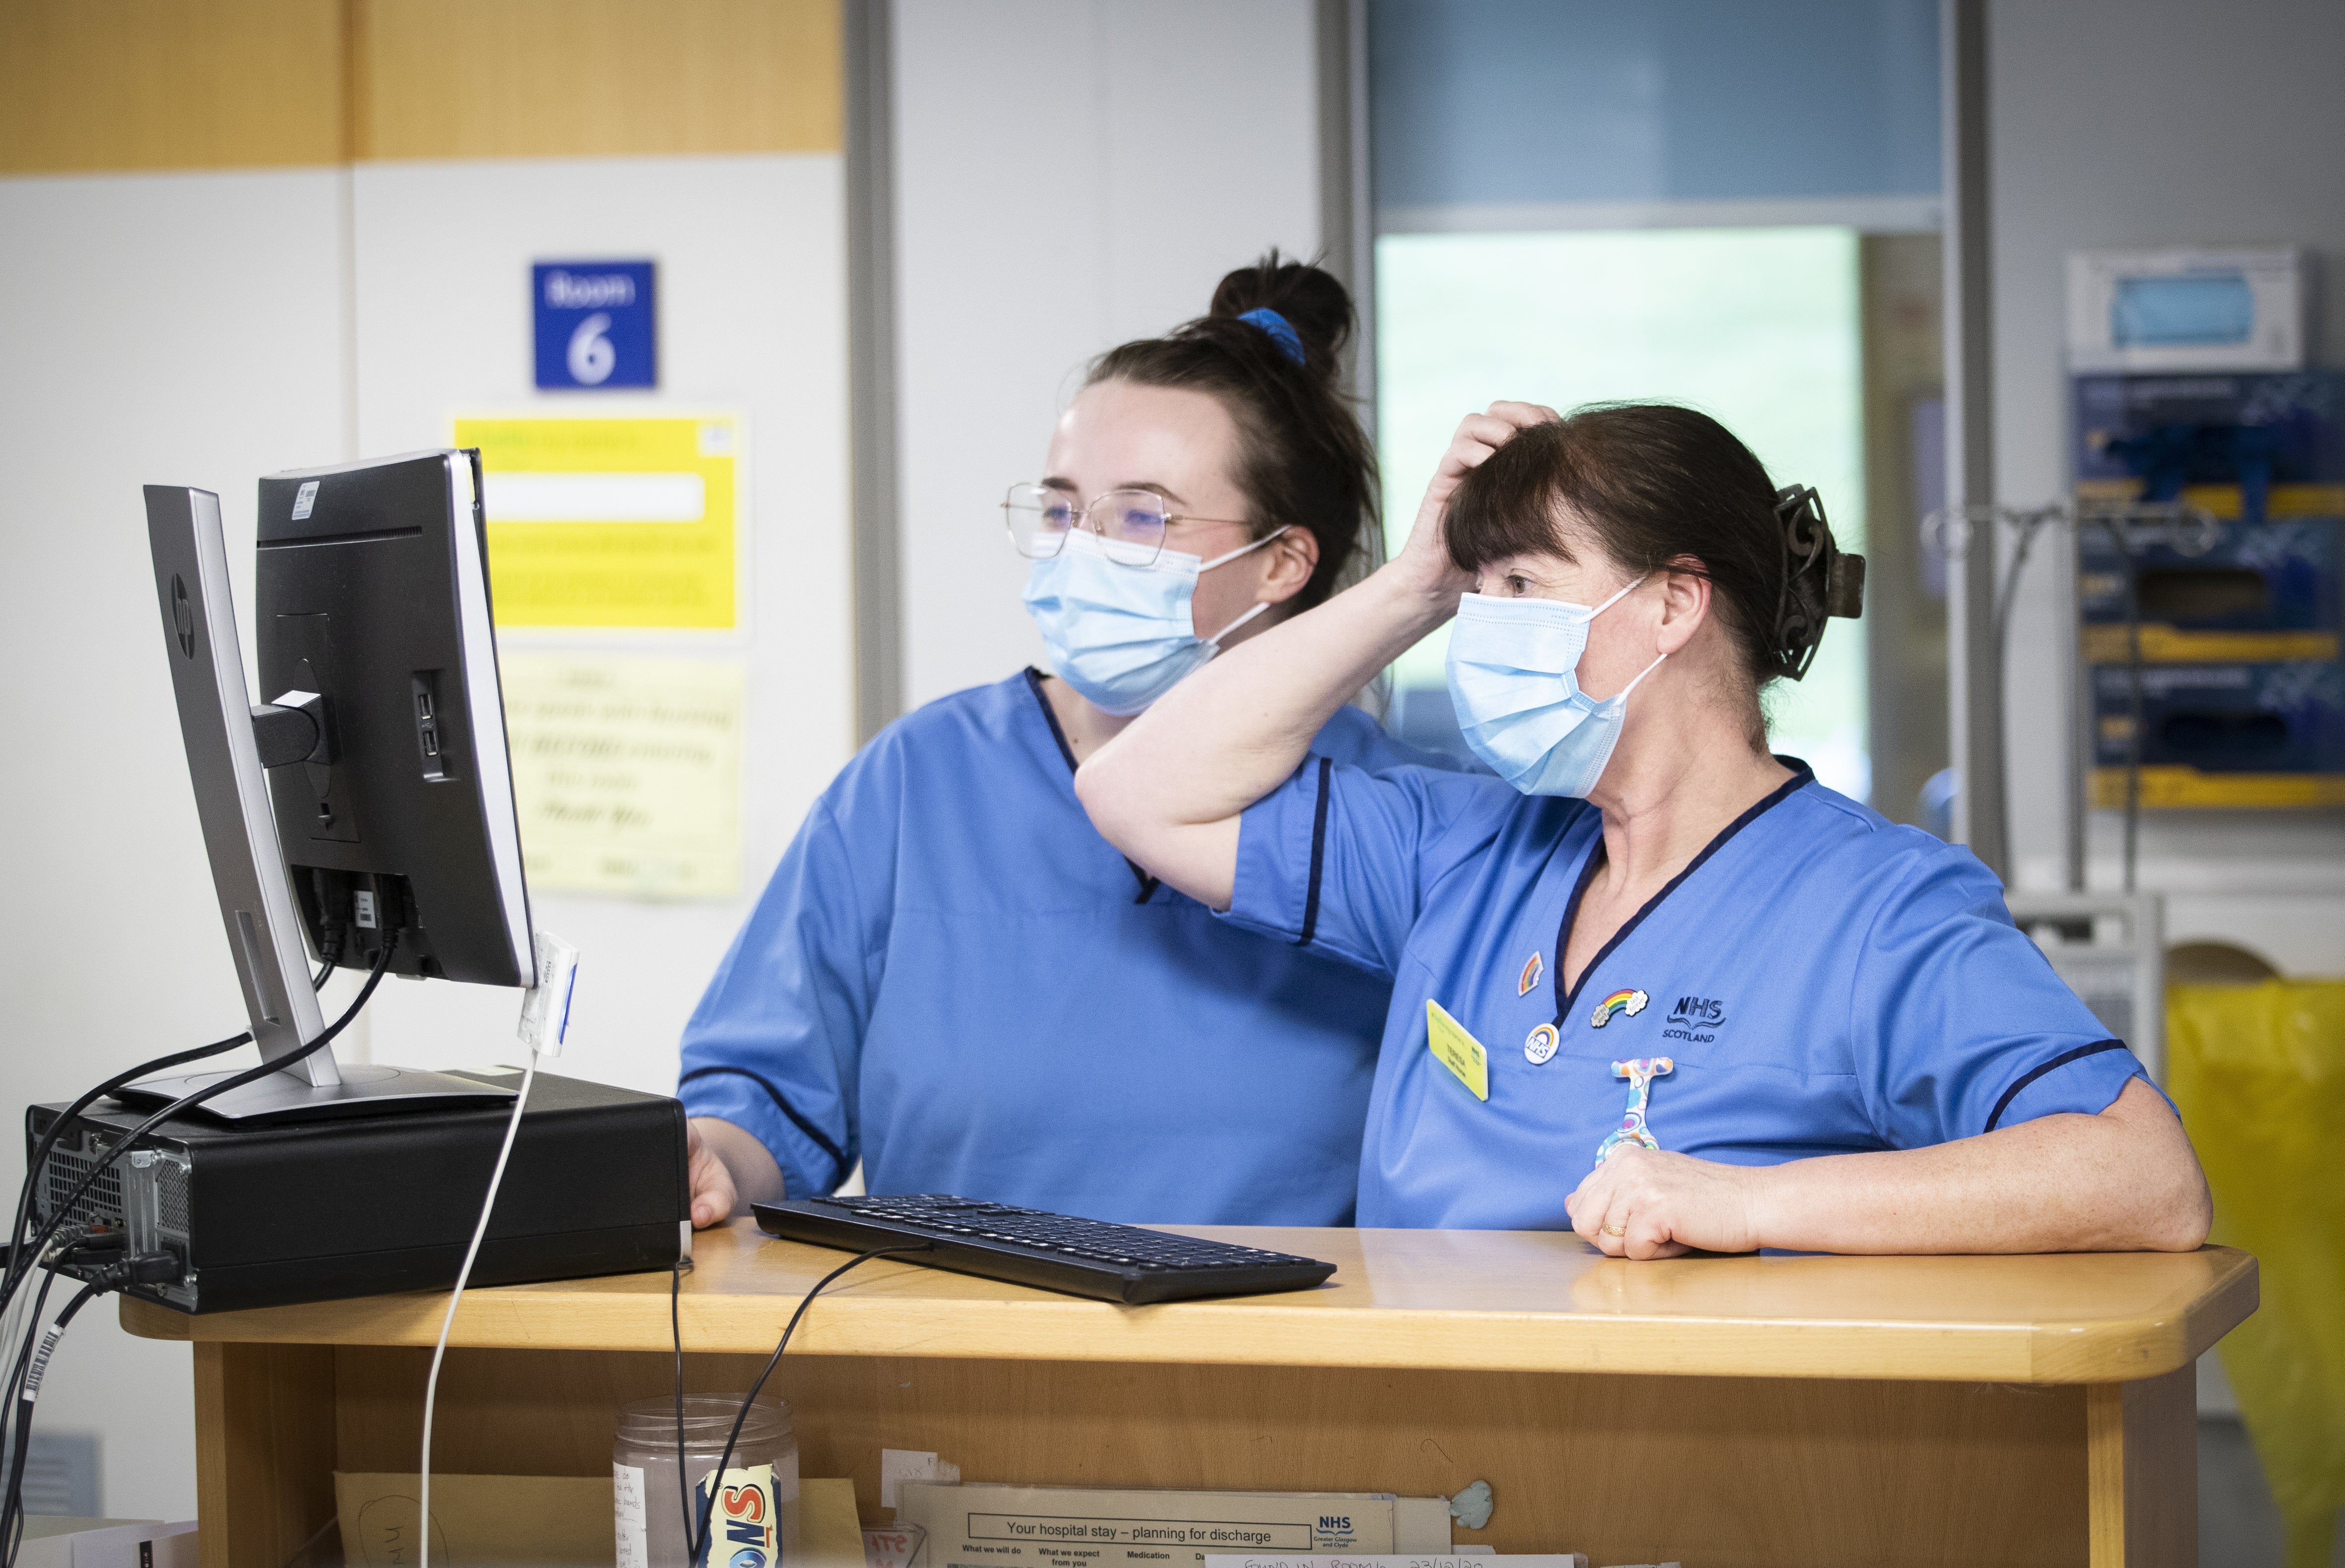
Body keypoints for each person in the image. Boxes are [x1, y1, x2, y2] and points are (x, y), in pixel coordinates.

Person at [1076, 400, 2214, 1258]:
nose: (1483, 628)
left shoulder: (1876, 908)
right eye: (1475, 594)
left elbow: (2143, 1180)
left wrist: (1750, 1200)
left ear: (1673, 602)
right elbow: (1137, 792)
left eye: (1521, 584)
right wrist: (1413, 585)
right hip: (1416, 1447)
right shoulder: (1461, 852)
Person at [677, 256, 1454, 1230]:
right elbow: (766, 1105)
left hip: (1272, 1369)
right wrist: (712, 1158)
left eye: (1141, 516)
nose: (1081, 549)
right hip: (943, 1357)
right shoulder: (921, 784)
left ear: (1282, 564)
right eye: (1058, 508)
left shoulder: (1400, 822)